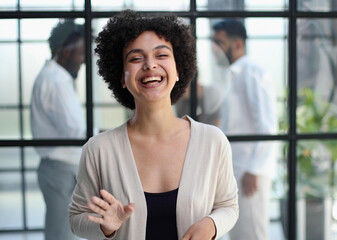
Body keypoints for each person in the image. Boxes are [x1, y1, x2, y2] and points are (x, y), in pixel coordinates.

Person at [69, 10, 238, 240]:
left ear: (178, 69)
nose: (150, 65)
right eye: (136, 58)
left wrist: (212, 224)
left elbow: (229, 206)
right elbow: (76, 218)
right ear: (122, 77)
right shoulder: (99, 149)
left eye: (161, 55)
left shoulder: (212, 141)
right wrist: (105, 226)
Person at [212, 19, 278, 240]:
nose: (214, 49)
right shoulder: (232, 74)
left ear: (237, 44)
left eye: (219, 42)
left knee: (253, 233)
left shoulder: (252, 72)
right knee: (239, 233)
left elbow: (267, 125)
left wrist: (254, 169)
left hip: (250, 173)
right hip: (237, 169)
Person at [30, 19, 85, 240]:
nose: (83, 61)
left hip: (60, 169)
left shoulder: (54, 78)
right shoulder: (56, 81)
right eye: (81, 54)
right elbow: (76, 130)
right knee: (62, 235)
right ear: (65, 53)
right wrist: (110, 133)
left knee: (63, 231)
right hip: (60, 169)